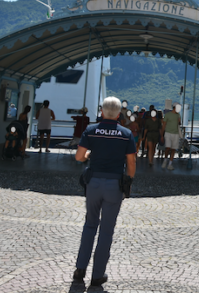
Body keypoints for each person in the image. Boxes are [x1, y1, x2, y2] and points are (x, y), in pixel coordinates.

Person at [73, 96, 136, 287]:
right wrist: (129, 180)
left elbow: (79, 157)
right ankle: (97, 275)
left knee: (90, 225)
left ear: (102, 112)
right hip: (114, 184)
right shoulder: (126, 134)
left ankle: (80, 269)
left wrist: (89, 155)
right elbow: (131, 162)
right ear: (119, 114)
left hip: (93, 183)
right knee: (106, 230)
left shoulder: (91, 130)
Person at [161, 103, 181, 171]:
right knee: (167, 147)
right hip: (168, 133)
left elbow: (179, 124)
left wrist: (179, 121)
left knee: (173, 149)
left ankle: (170, 164)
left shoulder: (178, 115)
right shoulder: (167, 115)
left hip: (176, 133)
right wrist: (162, 134)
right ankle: (165, 160)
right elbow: (164, 125)